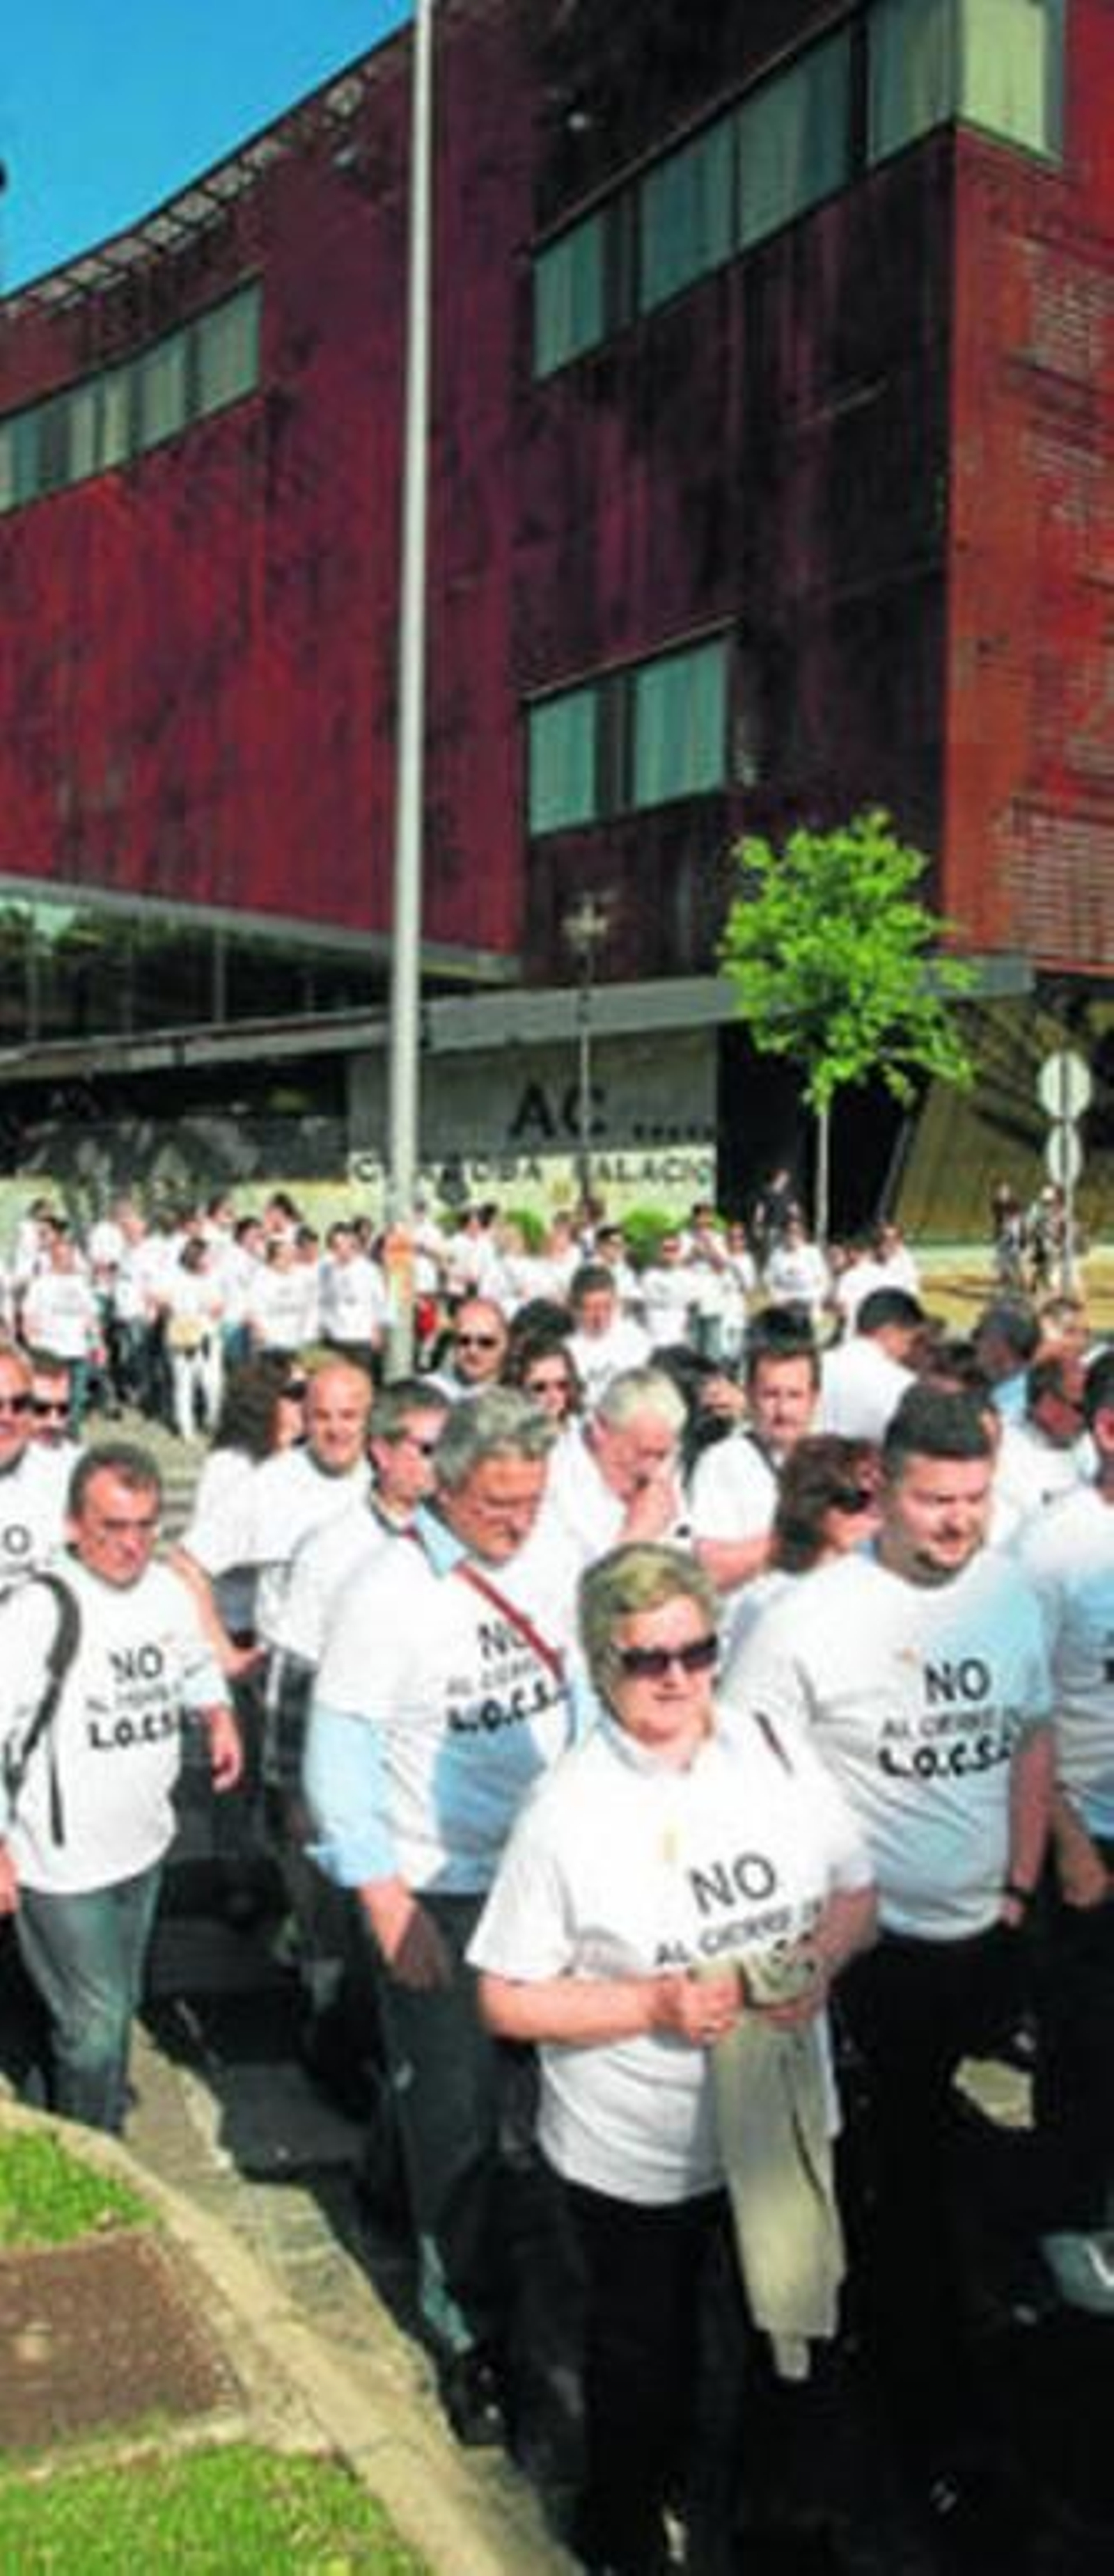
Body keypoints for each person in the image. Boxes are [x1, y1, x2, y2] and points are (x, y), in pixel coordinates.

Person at [471, 1542, 874, 2574]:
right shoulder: (566, 1811)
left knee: (791, 2331)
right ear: (603, 1663)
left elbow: (855, 1899)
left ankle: (776, 2524)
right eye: (648, 1659)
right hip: (639, 2144)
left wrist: (816, 1964)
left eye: (697, 1652)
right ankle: (623, 2524)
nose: (678, 1679)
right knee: (641, 2352)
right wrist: (649, 2001)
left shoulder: (774, 1748)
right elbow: (507, 1998)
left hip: (779, 2116)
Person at [722, 1385, 1053, 2501]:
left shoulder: (1010, 1593)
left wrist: (1016, 1891)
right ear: (885, 1488)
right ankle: (911, 2417)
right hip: (869, 1946)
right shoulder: (808, 1621)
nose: (956, 1521)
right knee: (896, 2184)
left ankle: (927, 2355)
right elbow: (748, 1776)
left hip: (986, 1927)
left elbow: (1031, 1736)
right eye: (932, 1499)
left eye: (973, 1499)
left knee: (943, 2172)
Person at [304, 1389, 579, 2449]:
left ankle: (390, 2169)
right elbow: (340, 1759)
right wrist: (382, 1896)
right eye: (498, 1503)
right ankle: (468, 2328)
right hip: (442, 1889)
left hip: (546, 1877)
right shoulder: (386, 1594)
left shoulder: (555, 1553)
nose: (518, 1520)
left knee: (525, 2102)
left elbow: (588, 1691)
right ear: (446, 1485)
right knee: (461, 2121)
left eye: (533, 1498)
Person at [0, 1442, 240, 2132]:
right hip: (60, 1860)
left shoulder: (165, 1590)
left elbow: (194, 1660)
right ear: (74, 1524)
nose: (131, 1544)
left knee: (116, 2000)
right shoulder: (37, 1610)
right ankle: (96, 2150)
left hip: (142, 1844)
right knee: (98, 2023)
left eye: (145, 1526)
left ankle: (69, 2115)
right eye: (112, 1527)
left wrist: (218, 1714)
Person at [1014, 1345, 1114, 2309]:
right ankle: (1067, 2220)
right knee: (1086, 2045)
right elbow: (1020, 1709)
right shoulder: (1057, 1549)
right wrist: (1070, 1841)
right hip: (1091, 1841)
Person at [689, 1313, 821, 1596]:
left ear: (814, 1398)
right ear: (749, 1395)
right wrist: (804, 1537)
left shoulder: (836, 1459)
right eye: (771, 1395)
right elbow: (711, 1570)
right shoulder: (722, 1462)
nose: (783, 1410)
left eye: (794, 1395)